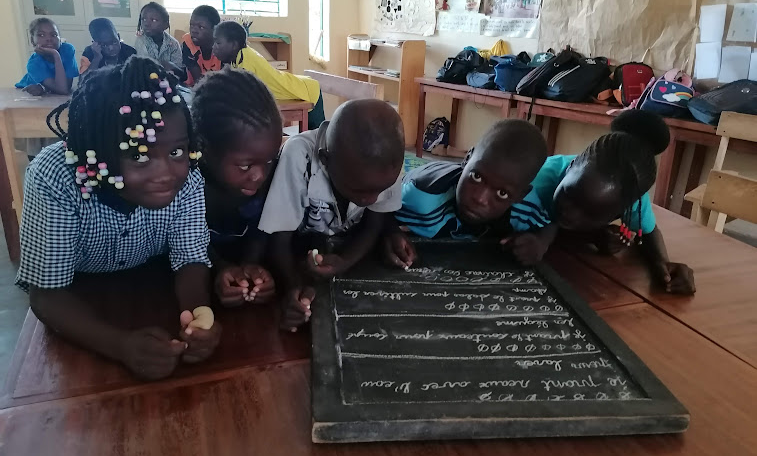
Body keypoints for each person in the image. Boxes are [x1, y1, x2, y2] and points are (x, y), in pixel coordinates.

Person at [16, 55, 221, 380]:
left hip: (150, 292)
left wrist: (199, 316)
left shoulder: (189, 179)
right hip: (80, 300)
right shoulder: (54, 177)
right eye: (139, 155)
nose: (166, 173)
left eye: (176, 151)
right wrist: (120, 345)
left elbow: (190, 258)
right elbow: (47, 293)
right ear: (97, 153)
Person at [508, 109, 696, 294]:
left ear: (622, 210)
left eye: (591, 213)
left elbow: (648, 232)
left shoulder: (628, 195)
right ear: (571, 166)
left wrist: (663, 265)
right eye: (569, 193)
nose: (569, 213)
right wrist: (589, 236)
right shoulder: (529, 182)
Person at [259, 100, 404, 330]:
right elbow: (278, 239)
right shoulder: (299, 155)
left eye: (381, 189)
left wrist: (345, 261)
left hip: (344, 248)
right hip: (298, 253)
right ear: (326, 160)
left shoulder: (388, 161)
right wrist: (294, 288)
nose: (370, 200)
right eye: (358, 191)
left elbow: (374, 224)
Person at [384, 119, 547, 268]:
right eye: (476, 176)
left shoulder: (526, 208)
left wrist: (541, 243)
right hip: (425, 175)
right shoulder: (421, 196)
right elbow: (379, 205)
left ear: (520, 196)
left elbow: (549, 225)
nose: (480, 199)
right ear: (467, 158)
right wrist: (391, 231)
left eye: (502, 193)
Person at [192, 67, 282, 307]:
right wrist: (220, 268)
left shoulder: (274, 176)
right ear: (205, 149)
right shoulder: (187, 186)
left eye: (269, 160)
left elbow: (264, 229)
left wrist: (252, 265)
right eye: (245, 166)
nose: (259, 176)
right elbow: (186, 242)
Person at [212, 20, 324, 129]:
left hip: (307, 91)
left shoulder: (245, 59)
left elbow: (242, 97)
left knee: (319, 135)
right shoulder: (237, 59)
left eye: (218, 43)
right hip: (296, 88)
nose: (214, 47)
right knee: (313, 136)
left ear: (234, 45)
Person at [16, 18, 78, 96]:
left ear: (60, 39)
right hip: (26, 93)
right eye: (41, 35)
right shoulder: (34, 63)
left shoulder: (67, 50)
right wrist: (56, 55)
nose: (49, 39)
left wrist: (56, 55)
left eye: (54, 35)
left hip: (50, 93)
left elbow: (66, 87)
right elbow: (62, 90)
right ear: (32, 40)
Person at [134, 1, 183, 75]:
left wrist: (172, 66)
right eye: (143, 19)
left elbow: (178, 71)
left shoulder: (174, 44)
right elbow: (143, 69)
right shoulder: (141, 41)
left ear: (165, 25)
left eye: (153, 20)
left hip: (169, 80)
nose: (146, 24)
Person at [182, 5, 222, 86]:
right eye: (191, 25)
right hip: (193, 88)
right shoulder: (188, 41)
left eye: (201, 27)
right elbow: (198, 80)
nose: (194, 30)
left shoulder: (223, 46)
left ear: (215, 30)